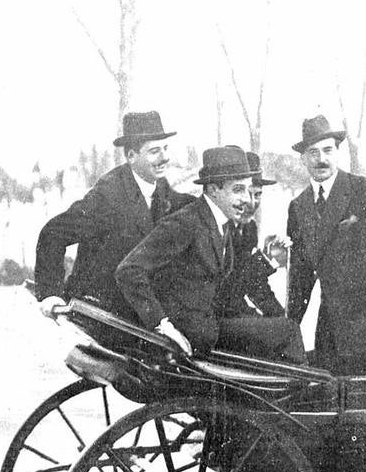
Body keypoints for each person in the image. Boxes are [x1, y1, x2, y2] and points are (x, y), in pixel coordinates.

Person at [114, 145, 304, 361]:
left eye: (247, 190)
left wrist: (267, 260)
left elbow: (228, 290)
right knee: (287, 331)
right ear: (214, 190)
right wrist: (161, 325)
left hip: (208, 325)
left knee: (283, 329)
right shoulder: (186, 222)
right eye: (238, 190)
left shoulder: (221, 224)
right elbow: (129, 270)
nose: (247, 200)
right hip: (194, 334)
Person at [285, 115, 366, 375]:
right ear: (303, 158)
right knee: (332, 399)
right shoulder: (298, 207)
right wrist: (288, 327)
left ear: (338, 152)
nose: (321, 159)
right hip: (331, 323)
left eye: (327, 150)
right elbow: (301, 275)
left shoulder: (364, 189)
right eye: (312, 152)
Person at [33, 111, 192, 319]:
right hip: (98, 310)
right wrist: (51, 295)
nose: (164, 158)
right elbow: (53, 233)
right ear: (131, 156)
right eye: (154, 151)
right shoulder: (108, 195)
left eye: (165, 148)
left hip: (137, 308)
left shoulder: (163, 189)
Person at [216, 151, 288, 321]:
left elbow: (255, 285)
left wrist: (280, 316)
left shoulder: (249, 229)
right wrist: (265, 259)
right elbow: (231, 288)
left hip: (233, 309)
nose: (252, 202)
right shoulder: (219, 226)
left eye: (258, 195)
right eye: (247, 194)